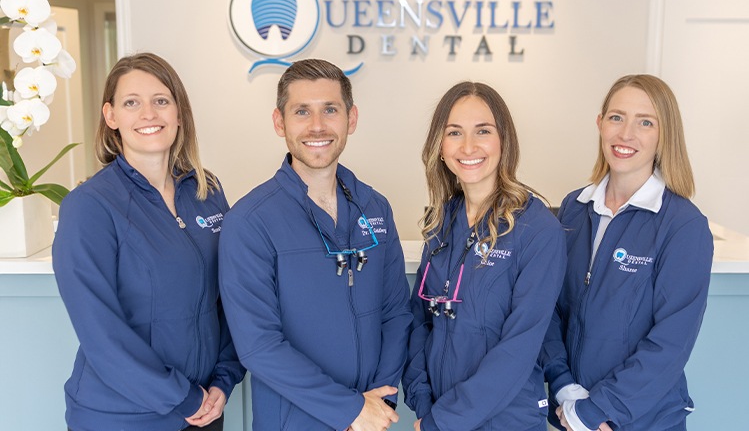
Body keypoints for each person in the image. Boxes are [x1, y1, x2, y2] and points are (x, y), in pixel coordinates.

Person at [53, 52, 245, 431]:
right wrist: (183, 397)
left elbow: (231, 295)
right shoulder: (89, 206)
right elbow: (101, 334)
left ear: (178, 112)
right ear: (111, 116)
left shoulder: (206, 190)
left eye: (161, 101)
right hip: (122, 416)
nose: (149, 114)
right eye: (131, 103)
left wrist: (224, 378)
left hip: (204, 407)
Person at [218, 58, 412, 431]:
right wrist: (349, 409)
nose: (317, 126)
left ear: (351, 119)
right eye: (302, 111)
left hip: (373, 418)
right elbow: (260, 346)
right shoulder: (250, 221)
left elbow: (396, 314)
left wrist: (379, 401)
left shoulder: (375, 207)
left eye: (330, 110)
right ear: (280, 122)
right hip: (294, 421)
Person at [541, 74, 713, 431]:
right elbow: (549, 310)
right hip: (569, 414)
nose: (626, 134)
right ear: (600, 123)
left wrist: (597, 412)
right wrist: (564, 388)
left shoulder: (682, 225)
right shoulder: (574, 208)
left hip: (639, 420)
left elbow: (671, 343)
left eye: (645, 122)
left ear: (664, 135)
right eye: (617, 117)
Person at [402, 82, 567, 431]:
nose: (468, 146)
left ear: (504, 141)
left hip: (505, 419)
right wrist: (422, 403)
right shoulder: (441, 223)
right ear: (440, 146)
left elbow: (519, 349)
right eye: (454, 133)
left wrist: (443, 421)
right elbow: (420, 321)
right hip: (436, 414)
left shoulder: (537, 230)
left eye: (483, 131)